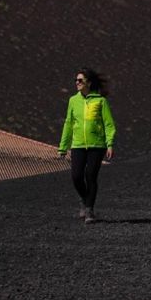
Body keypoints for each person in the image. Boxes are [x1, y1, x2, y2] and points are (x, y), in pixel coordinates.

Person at [58, 68, 116, 224]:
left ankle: (89, 210)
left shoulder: (100, 101)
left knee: (90, 175)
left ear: (88, 83)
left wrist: (110, 144)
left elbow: (109, 124)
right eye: (76, 80)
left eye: (80, 80)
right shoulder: (73, 100)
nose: (77, 83)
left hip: (97, 145)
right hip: (78, 145)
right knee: (76, 176)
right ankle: (85, 199)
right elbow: (68, 123)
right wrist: (63, 146)